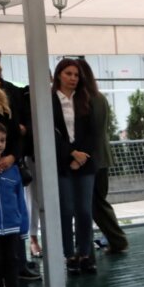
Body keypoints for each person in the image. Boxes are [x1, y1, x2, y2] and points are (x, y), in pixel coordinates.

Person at [0, 45, 40, 280]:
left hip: (8, 167)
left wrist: (11, 157)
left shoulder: (7, 93)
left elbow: (19, 133)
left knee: (16, 214)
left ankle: (18, 265)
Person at [76, 59, 129, 255]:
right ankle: (114, 240)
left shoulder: (90, 99)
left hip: (94, 160)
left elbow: (95, 132)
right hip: (100, 158)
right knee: (97, 202)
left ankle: (117, 240)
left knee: (96, 203)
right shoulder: (98, 98)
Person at [52, 58, 98, 275]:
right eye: (68, 73)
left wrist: (81, 156)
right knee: (66, 209)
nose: (72, 78)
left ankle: (85, 254)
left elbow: (93, 132)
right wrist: (71, 154)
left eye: (76, 75)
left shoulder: (85, 100)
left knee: (84, 211)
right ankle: (69, 255)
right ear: (59, 75)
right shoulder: (50, 100)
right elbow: (51, 132)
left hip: (85, 163)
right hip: (62, 163)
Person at [0, 121, 27, 287]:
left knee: (13, 259)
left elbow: (21, 198)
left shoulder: (12, 170)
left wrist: (24, 226)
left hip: (12, 225)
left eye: (2, 140)